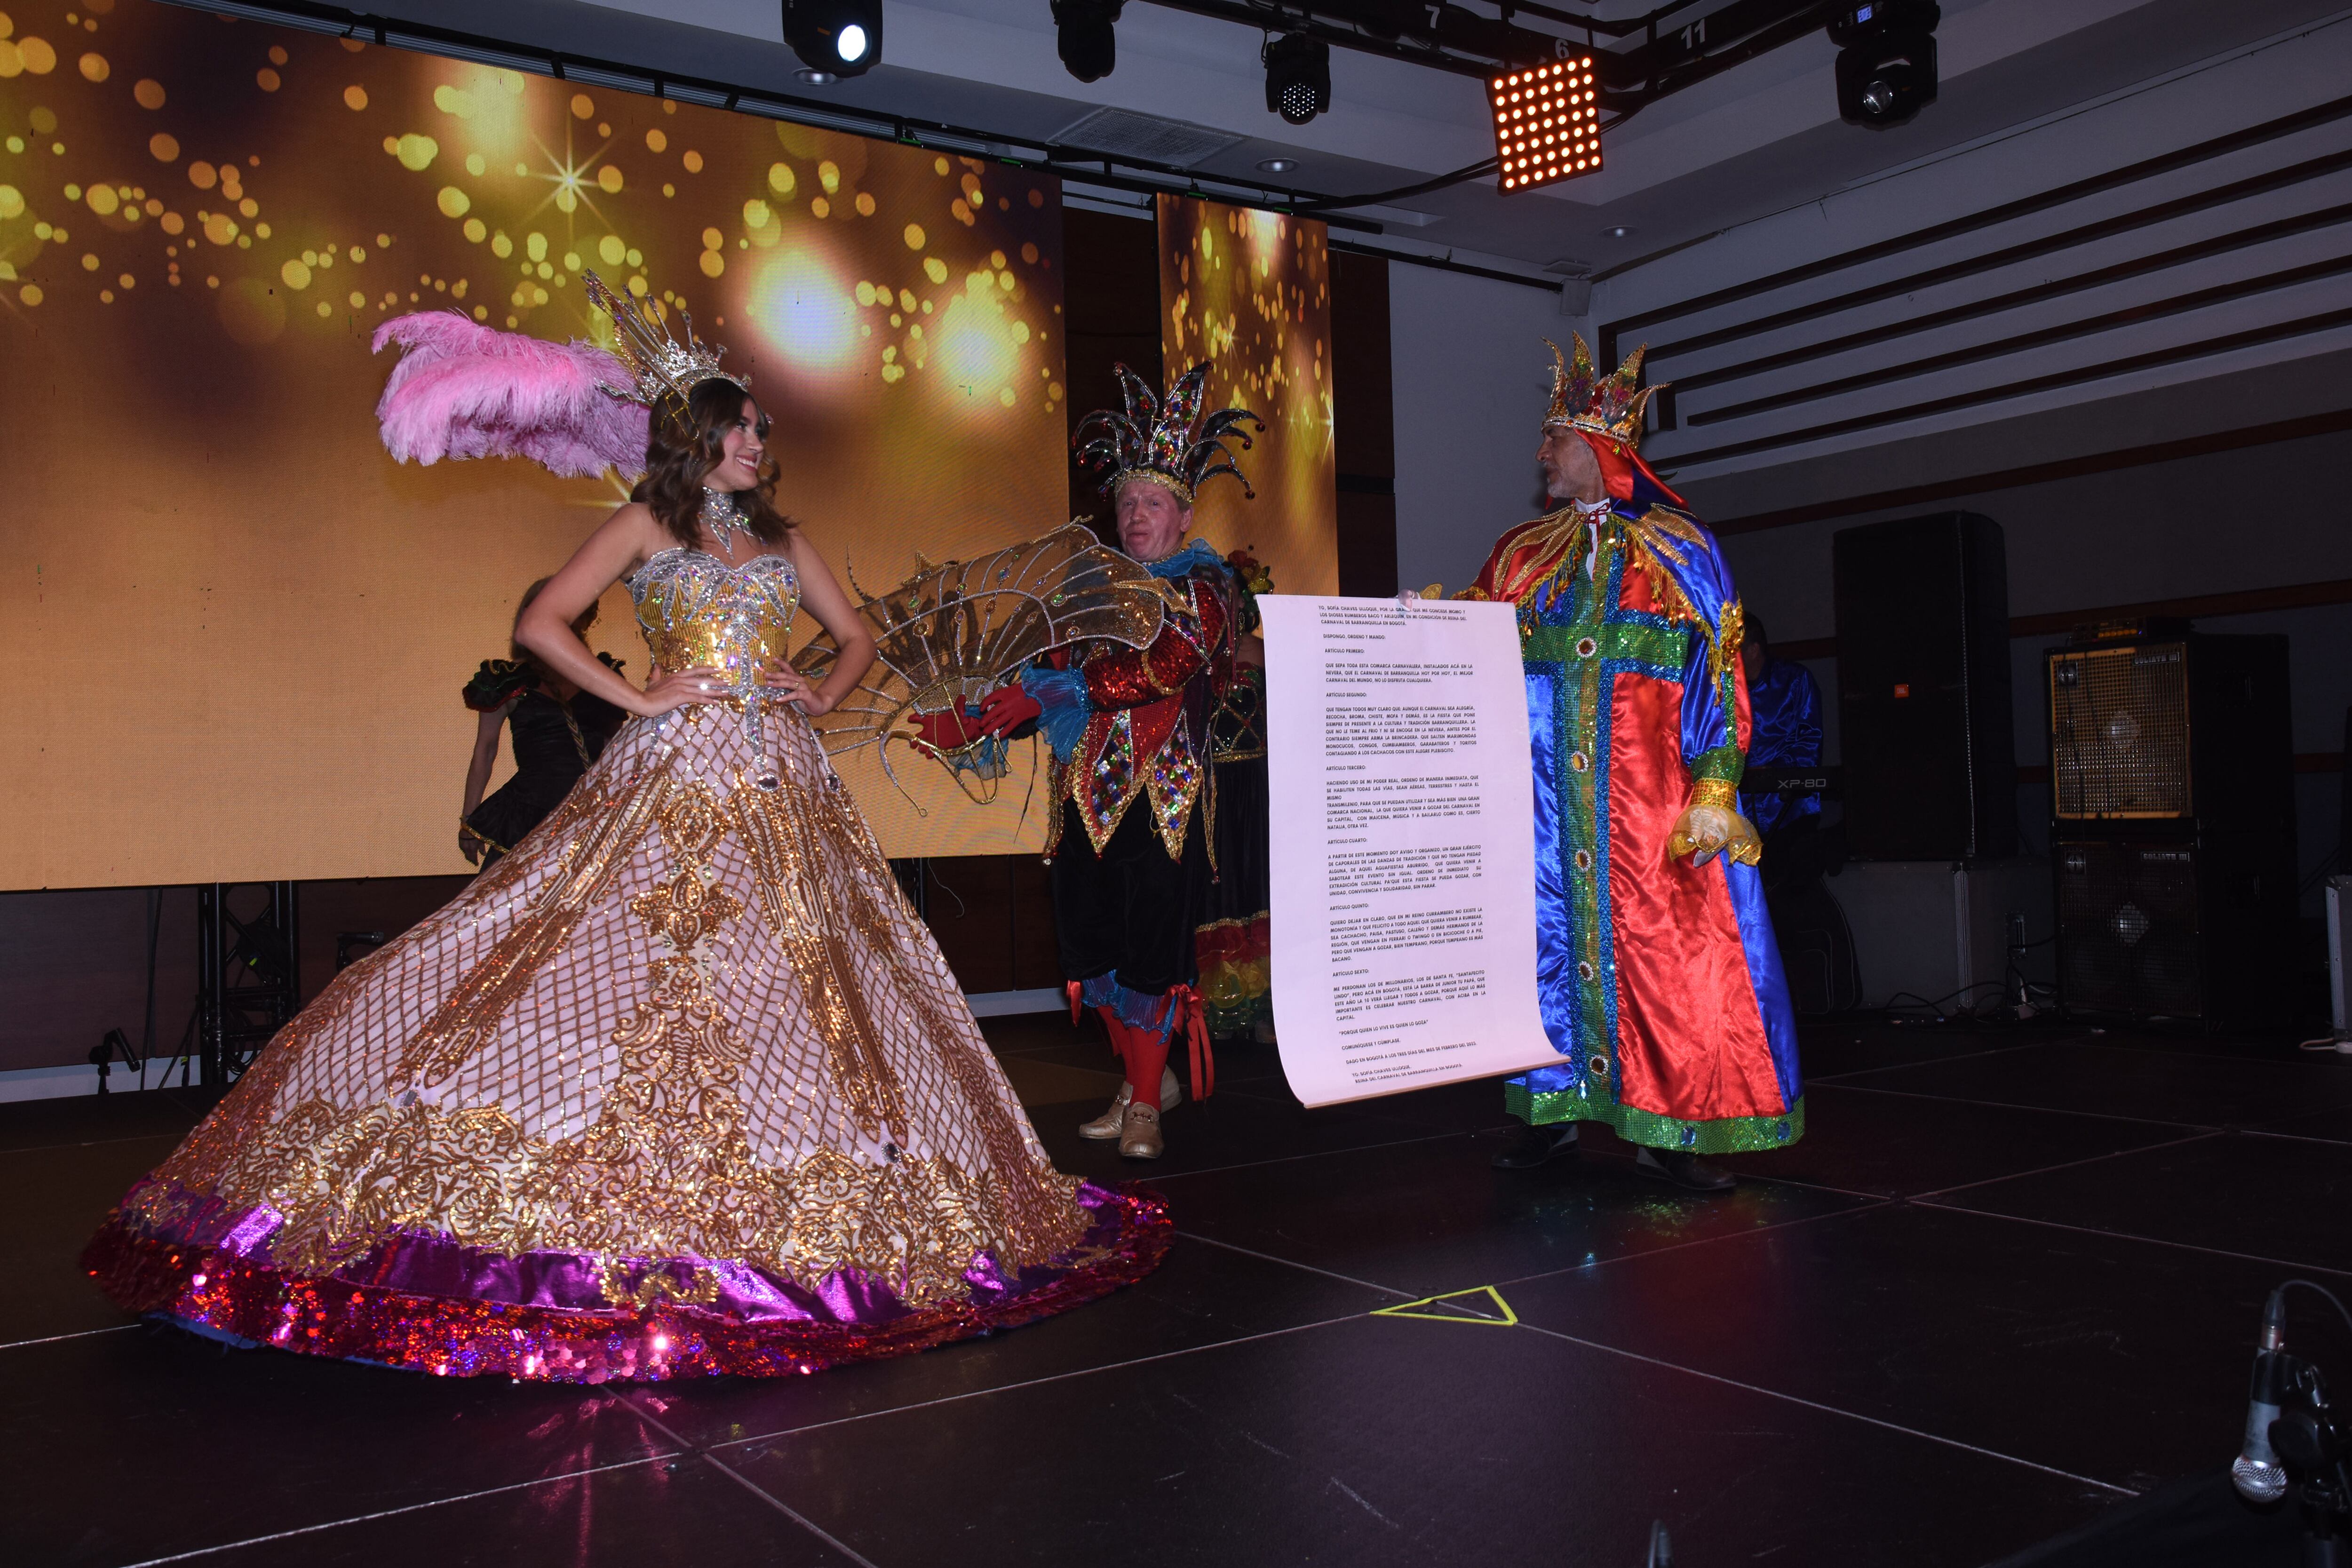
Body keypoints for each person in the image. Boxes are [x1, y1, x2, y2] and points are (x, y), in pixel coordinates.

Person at [82, 278, 1168, 1381]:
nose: (759, 440)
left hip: (784, 785)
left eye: (757, 427)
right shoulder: (648, 524)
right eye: (743, 426)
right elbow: (539, 621)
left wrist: (820, 693)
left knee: (801, 979)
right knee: (600, 949)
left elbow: (856, 638)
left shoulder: (785, 536)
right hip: (675, 772)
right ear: (702, 437)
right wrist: (646, 701)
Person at [1463, 337, 1802, 1190]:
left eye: (1556, 438)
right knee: (1542, 953)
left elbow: (1717, 670)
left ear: (1604, 449)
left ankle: (1673, 1127)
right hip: (1542, 810)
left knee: (1667, 965)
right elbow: (1467, 664)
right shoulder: (1517, 558)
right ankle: (1553, 1114)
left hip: (1648, 811)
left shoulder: (1679, 551)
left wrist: (1716, 785)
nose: (1542, 453)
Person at [959, 365, 1259, 1161]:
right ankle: (1137, 1084)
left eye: (1150, 502)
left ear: (1184, 514)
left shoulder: (1205, 587)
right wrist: (980, 714)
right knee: (1091, 946)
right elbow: (1040, 674)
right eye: (1125, 502)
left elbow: (1163, 665)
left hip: (1164, 796)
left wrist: (1059, 686)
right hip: (1085, 797)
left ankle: (1146, 1107)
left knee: (1153, 949)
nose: (1133, 516)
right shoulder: (1088, 591)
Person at [457, 579, 628, 868]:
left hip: (589, 813)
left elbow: (615, 753)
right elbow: (485, 751)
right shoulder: (506, 679)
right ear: (529, 614)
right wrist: (468, 821)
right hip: (527, 813)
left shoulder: (604, 675)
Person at [1195, 549, 1274, 1045]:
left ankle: (1268, 1010)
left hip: (1259, 785)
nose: (1221, 602)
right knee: (1215, 890)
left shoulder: (1263, 649)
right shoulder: (1189, 654)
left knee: (1261, 887)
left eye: (1227, 593)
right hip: (1210, 788)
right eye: (1211, 595)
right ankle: (1219, 1003)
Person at [1737, 612, 1826, 890]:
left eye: (1735, 649)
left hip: (1790, 812)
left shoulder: (1796, 681)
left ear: (1753, 650)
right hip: (1743, 815)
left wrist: (1774, 769)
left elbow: (1810, 740)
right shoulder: (1728, 690)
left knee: (1791, 896)